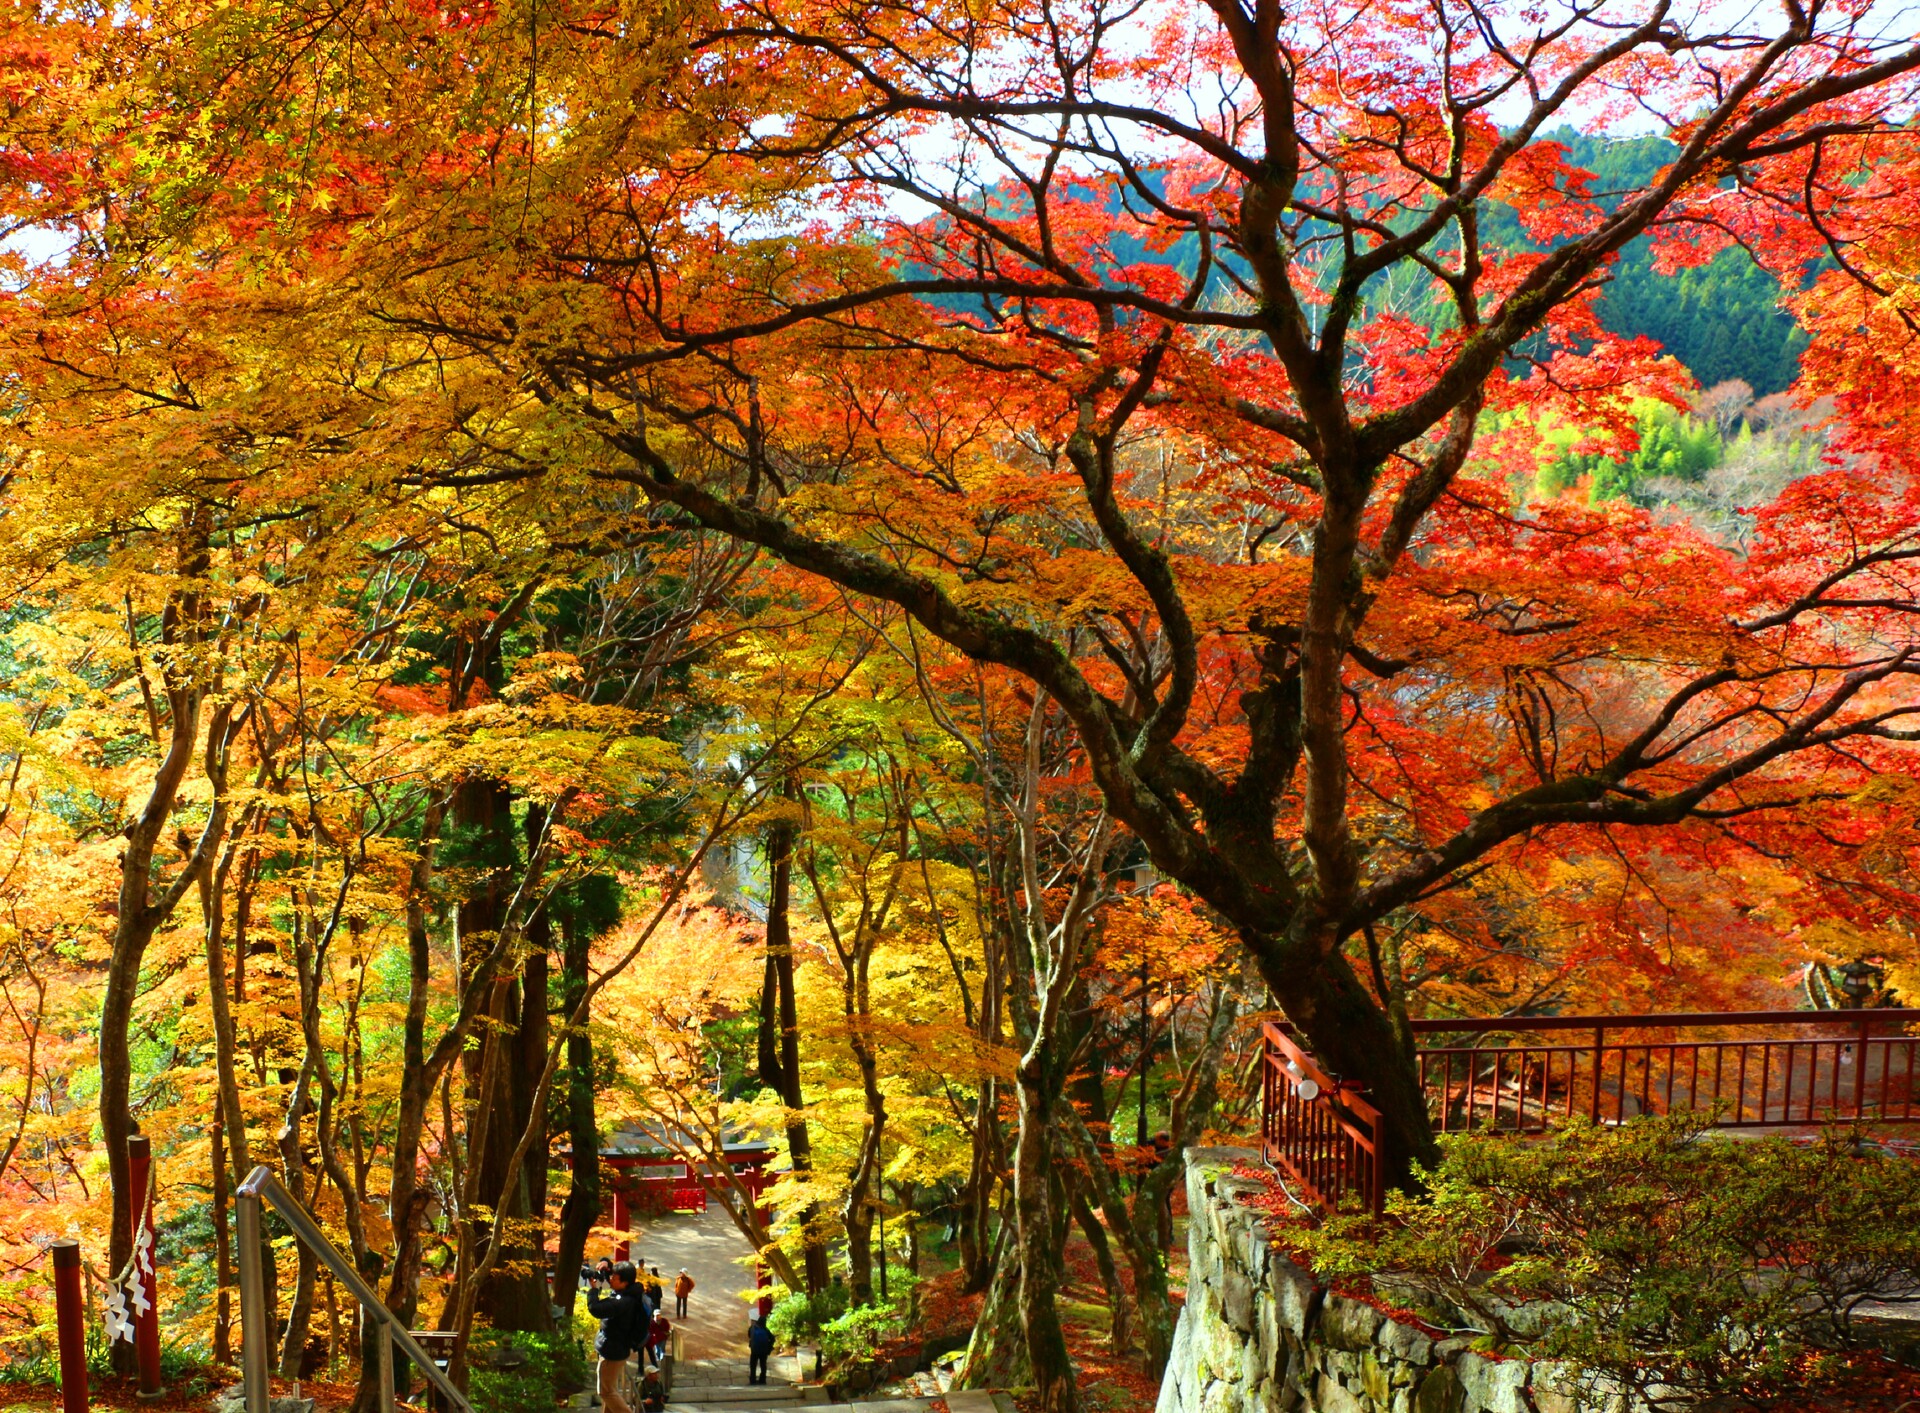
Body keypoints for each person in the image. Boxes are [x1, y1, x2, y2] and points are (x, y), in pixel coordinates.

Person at [585, 1261, 646, 1413]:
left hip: (611, 1352)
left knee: (605, 1391)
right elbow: (617, 1277)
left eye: (614, 1277)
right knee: (610, 1391)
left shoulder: (623, 1302)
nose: (610, 1279)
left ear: (624, 1282)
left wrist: (593, 1290)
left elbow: (596, 1309)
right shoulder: (630, 1292)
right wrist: (606, 1263)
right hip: (618, 1349)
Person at [747, 1314, 775, 1386]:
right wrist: (769, 1346)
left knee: (753, 1365)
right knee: (763, 1365)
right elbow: (772, 1339)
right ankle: (762, 1379)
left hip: (754, 1350)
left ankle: (752, 1380)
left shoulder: (752, 1328)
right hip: (763, 1351)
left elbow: (749, 1335)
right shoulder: (765, 1329)